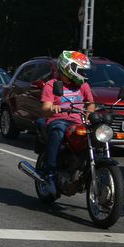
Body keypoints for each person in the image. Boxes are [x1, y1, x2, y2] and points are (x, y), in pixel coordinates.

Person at [39, 50, 95, 198]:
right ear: (68, 68)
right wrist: (52, 108)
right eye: (80, 70)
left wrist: (89, 115)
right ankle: (49, 173)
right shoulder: (52, 85)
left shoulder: (83, 85)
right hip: (59, 120)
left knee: (99, 136)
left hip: (78, 122)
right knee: (57, 132)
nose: (82, 73)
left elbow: (90, 104)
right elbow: (45, 108)